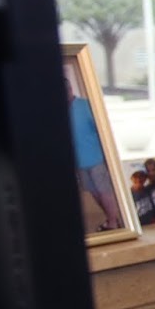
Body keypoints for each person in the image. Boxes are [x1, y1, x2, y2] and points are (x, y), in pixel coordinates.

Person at [67, 69, 122, 233]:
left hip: (96, 158)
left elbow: (103, 130)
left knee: (103, 190)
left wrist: (108, 155)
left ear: (70, 90)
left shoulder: (86, 105)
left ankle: (113, 222)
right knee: (93, 191)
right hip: (79, 162)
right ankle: (111, 219)